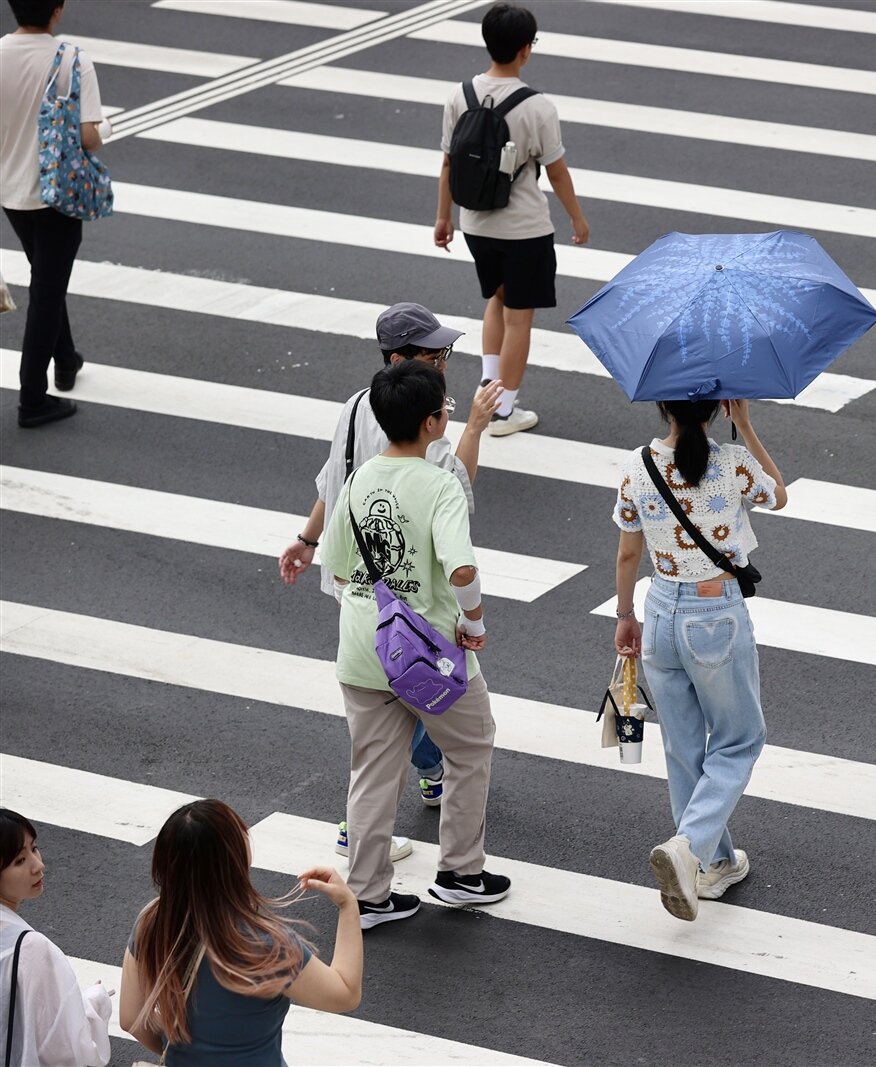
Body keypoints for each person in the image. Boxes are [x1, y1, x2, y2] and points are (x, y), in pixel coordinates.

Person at [277, 302, 503, 843]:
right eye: (432, 354)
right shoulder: (409, 424)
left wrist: (309, 540)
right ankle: (376, 815)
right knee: (413, 683)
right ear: (399, 357)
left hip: (360, 580)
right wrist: (473, 426)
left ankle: (420, 779)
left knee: (391, 686)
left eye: (445, 351)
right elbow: (455, 487)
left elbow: (335, 480)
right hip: (406, 584)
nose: (443, 362)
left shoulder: (358, 404)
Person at [323, 359, 509, 927]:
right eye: (446, 409)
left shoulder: (358, 481)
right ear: (431, 423)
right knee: (471, 746)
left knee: (373, 773)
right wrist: (473, 622)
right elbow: (461, 569)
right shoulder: (440, 484)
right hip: (430, 655)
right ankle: (460, 873)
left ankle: (369, 895)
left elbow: (335, 564)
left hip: (365, 647)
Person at [612, 399, 785, 921]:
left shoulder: (638, 466)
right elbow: (778, 495)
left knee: (684, 746)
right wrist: (748, 426)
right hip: (715, 614)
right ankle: (689, 847)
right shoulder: (732, 462)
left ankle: (714, 863)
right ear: (716, 408)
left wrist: (626, 616)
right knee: (739, 739)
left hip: (660, 609)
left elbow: (626, 554)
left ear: (662, 405)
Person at [434, 1, 589, 436]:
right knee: (520, 316)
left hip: (476, 224)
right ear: (525, 49)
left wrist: (443, 218)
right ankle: (503, 411)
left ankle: (490, 384)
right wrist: (577, 218)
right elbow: (556, 171)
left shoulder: (459, 95)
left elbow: (448, 163)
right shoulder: (537, 106)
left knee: (496, 301)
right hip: (524, 229)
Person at [118, 800, 362, 1065]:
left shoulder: (152, 922)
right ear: (234, 859)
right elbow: (345, 994)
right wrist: (348, 905)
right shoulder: (267, 946)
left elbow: (131, 1019)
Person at [1, 0, 106, 428]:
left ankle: (66, 360)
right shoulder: (71, 60)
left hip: (11, 193)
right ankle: (32, 398)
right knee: (46, 290)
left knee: (47, 275)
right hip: (58, 196)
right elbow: (89, 137)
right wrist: (107, 128)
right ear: (57, 10)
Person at [0, 810, 111, 1066]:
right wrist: (93, 1003)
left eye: (34, 849)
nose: (38, 865)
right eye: (19, 860)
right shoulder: (29, 948)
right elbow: (66, 1050)